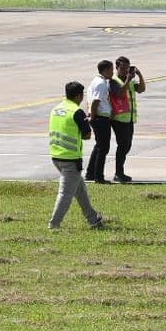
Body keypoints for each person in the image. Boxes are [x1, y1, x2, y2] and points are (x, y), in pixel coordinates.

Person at [48, 81, 105, 229]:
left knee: (80, 190)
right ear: (79, 95)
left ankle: (93, 218)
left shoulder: (56, 109)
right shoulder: (76, 112)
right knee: (65, 194)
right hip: (71, 159)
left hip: (56, 156)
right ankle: (54, 224)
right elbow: (87, 135)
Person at [112, 56, 145, 183]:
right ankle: (118, 173)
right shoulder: (114, 81)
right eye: (123, 68)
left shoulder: (129, 80)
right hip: (119, 118)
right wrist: (128, 79)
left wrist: (139, 75)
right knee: (123, 145)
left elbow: (141, 89)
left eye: (127, 68)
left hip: (129, 118)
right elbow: (120, 93)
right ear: (117, 68)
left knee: (127, 145)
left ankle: (120, 172)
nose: (126, 70)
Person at [85, 60, 114, 183]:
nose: (113, 72)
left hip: (99, 117)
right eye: (111, 70)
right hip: (100, 118)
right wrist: (93, 117)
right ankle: (98, 176)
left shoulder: (96, 81)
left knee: (99, 146)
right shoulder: (101, 83)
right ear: (106, 70)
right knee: (103, 148)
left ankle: (90, 173)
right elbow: (96, 101)